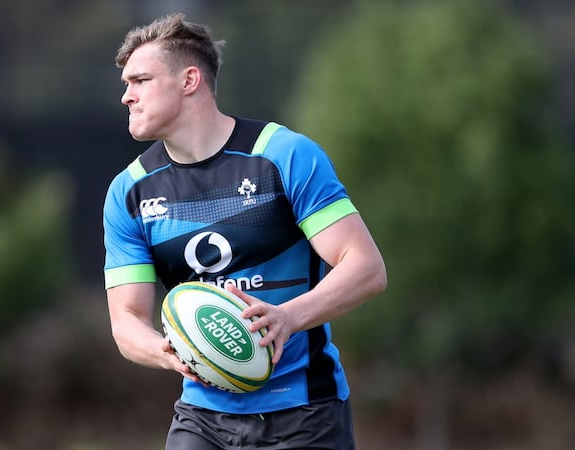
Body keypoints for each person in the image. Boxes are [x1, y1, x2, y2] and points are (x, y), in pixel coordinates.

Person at [103, 12, 387, 450]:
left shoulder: (283, 155)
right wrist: (170, 351)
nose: (127, 96)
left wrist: (288, 318)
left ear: (189, 80)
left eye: (140, 80)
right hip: (202, 418)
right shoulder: (130, 192)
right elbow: (126, 320)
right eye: (126, 84)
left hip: (305, 412)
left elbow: (366, 268)